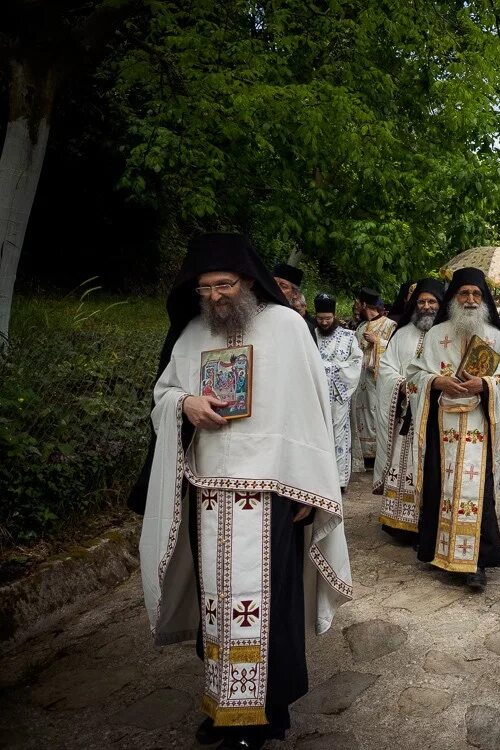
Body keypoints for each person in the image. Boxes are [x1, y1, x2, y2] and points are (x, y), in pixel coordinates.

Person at [131, 233, 352, 749]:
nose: (215, 297)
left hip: (273, 494)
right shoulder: (191, 333)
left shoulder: (288, 327)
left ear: (249, 281)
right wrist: (185, 404)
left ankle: (265, 715)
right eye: (205, 288)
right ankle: (224, 707)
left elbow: (311, 411)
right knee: (219, 605)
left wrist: (309, 488)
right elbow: (163, 392)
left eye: (224, 285)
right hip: (208, 493)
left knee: (266, 608)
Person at [405, 267, 500, 590]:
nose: (470, 300)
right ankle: (440, 553)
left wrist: (484, 384)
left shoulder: (494, 337)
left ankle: (475, 562)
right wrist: (437, 381)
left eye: (476, 295)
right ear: (453, 298)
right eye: (464, 294)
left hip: (480, 426)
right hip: (443, 429)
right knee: (442, 487)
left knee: (477, 493)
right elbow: (414, 376)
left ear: (483, 301)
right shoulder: (436, 335)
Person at [374, 278, 445, 537]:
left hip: (436, 415)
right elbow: (386, 368)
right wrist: (401, 385)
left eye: (432, 301)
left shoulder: (446, 335)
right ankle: (399, 523)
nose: (426, 306)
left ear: (441, 304)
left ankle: (429, 523)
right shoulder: (402, 334)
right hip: (407, 415)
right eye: (422, 301)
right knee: (403, 463)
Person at [314, 293, 363, 490]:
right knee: (318, 434)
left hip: (338, 395)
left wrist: (329, 369)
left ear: (334, 316)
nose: (324, 322)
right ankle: (318, 480)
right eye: (320, 319)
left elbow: (356, 362)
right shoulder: (311, 335)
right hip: (315, 395)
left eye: (328, 318)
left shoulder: (349, 337)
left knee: (338, 435)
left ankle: (339, 480)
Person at [351, 288, 396, 472]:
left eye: (359, 304)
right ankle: (362, 454)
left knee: (376, 413)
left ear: (364, 305)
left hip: (378, 379)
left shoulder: (390, 325)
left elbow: (394, 349)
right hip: (360, 379)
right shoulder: (361, 327)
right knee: (360, 413)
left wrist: (378, 341)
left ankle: (378, 454)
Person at [273, 262, 316, 336]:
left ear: (295, 294)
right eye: (273, 283)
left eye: (283, 286)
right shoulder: (253, 311)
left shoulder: (304, 327)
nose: (275, 288)